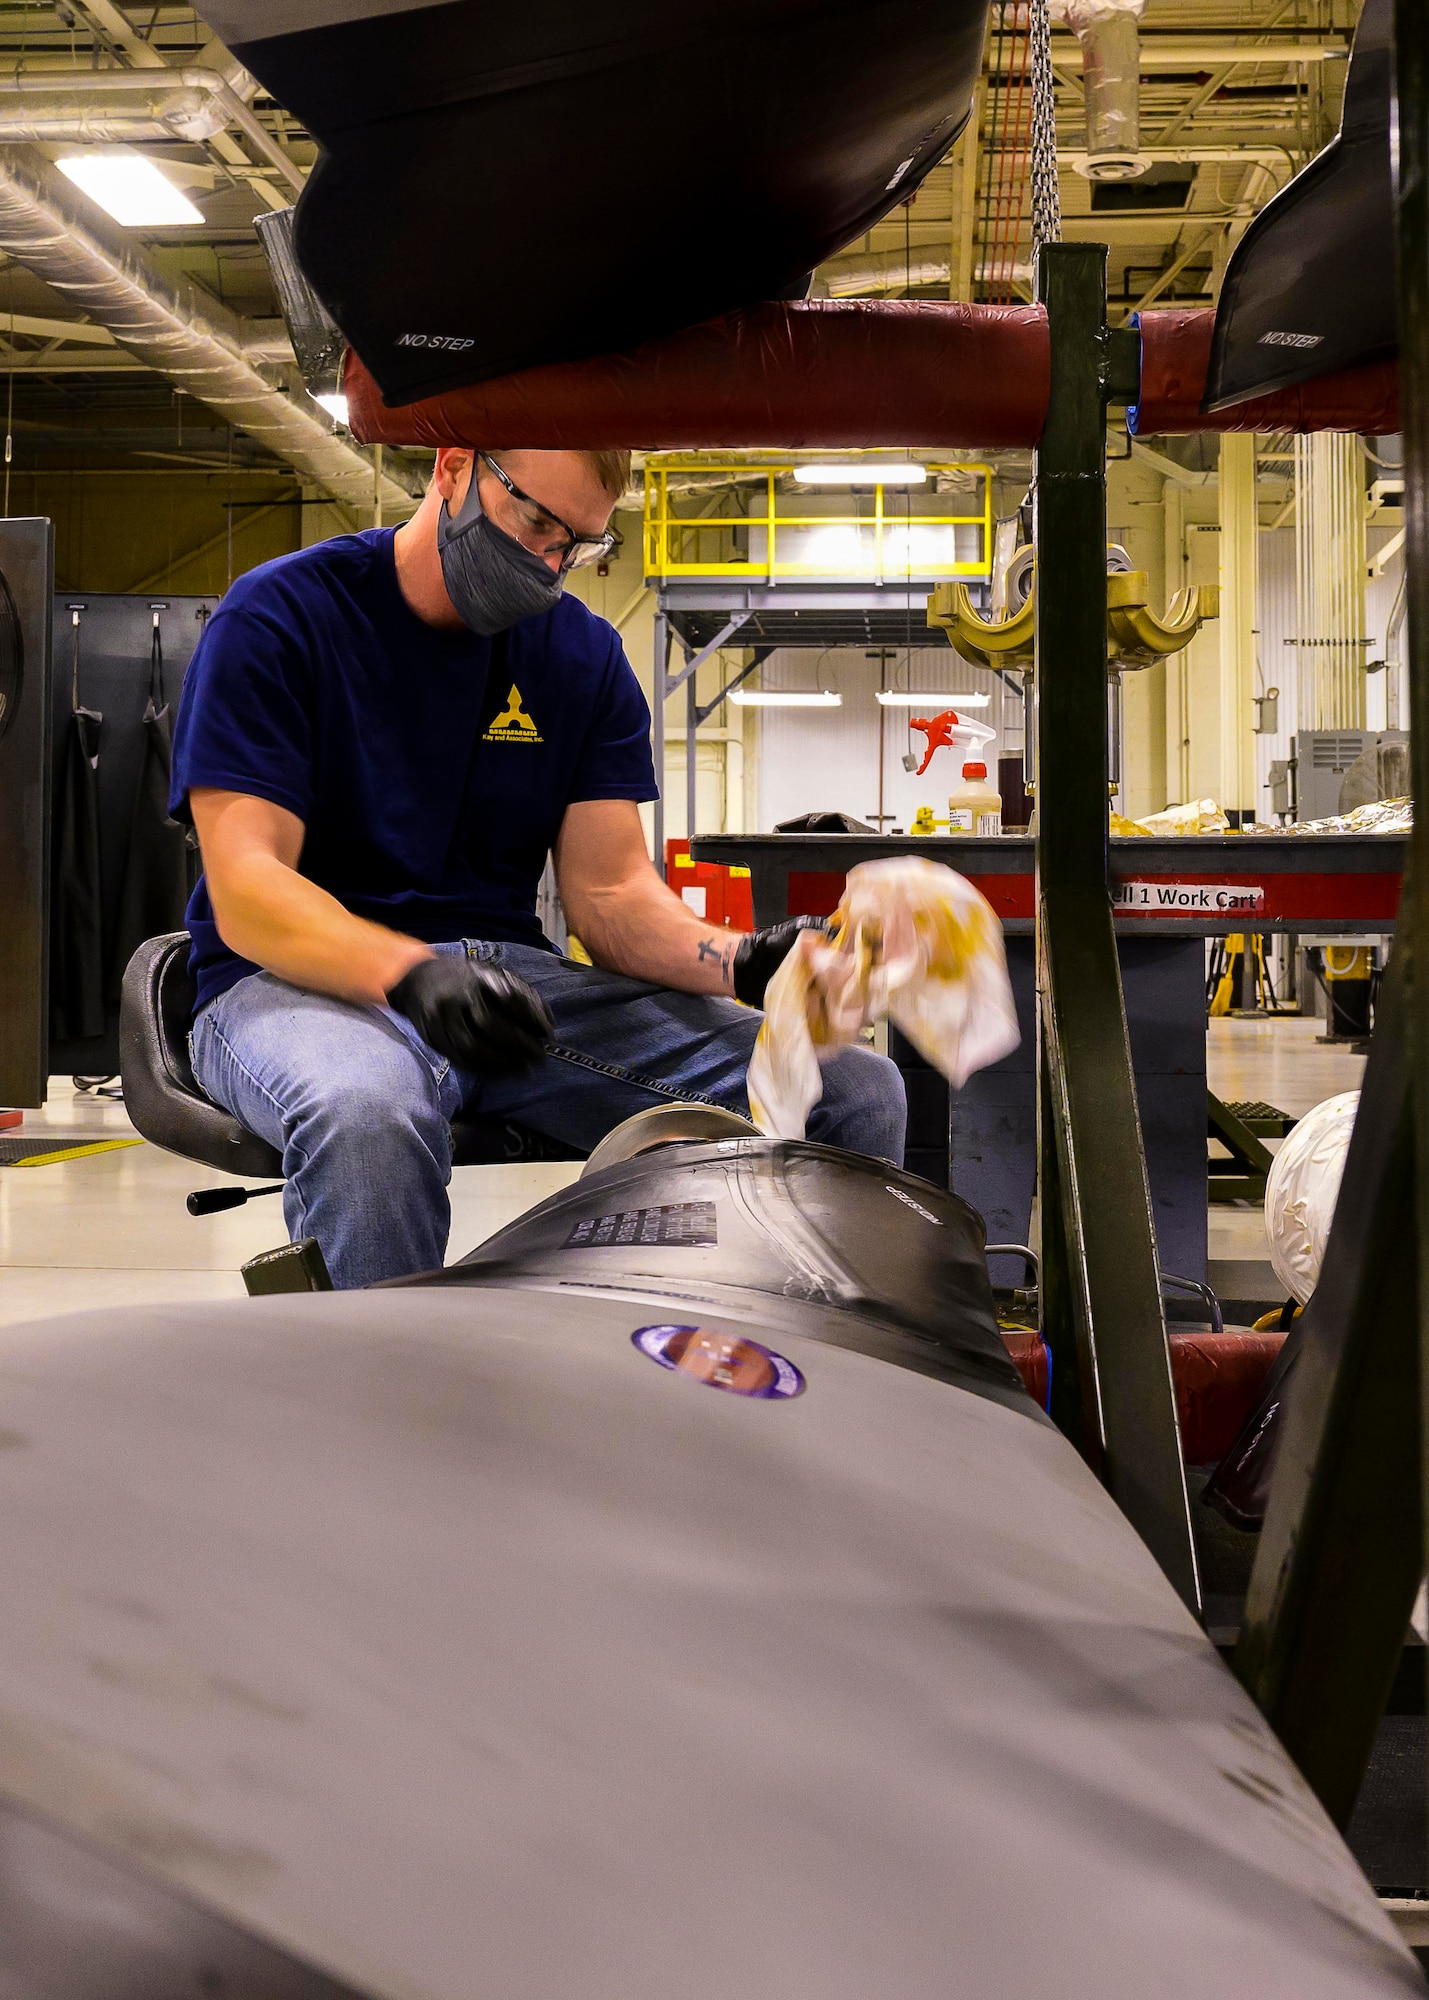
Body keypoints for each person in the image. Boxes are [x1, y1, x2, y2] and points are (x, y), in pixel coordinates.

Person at [170, 446, 906, 1287]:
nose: (549, 562)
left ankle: (810, 1381)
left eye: (579, 545)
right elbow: (249, 888)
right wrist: (408, 971)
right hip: (291, 978)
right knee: (366, 1116)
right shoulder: (279, 615)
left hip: (504, 988)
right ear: (453, 469)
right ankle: (377, 1400)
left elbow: (609, 894)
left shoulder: (581, 656)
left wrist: (739, 960)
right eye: (534, 521)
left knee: (851, 1087)